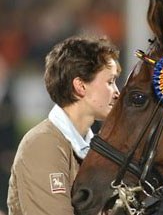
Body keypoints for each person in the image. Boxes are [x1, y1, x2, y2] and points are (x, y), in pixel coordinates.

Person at [7, 35, 121, 214]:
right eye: (110, 82)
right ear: (81, 86)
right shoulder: (43, 145)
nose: (117, 92)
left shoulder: (96, 149)